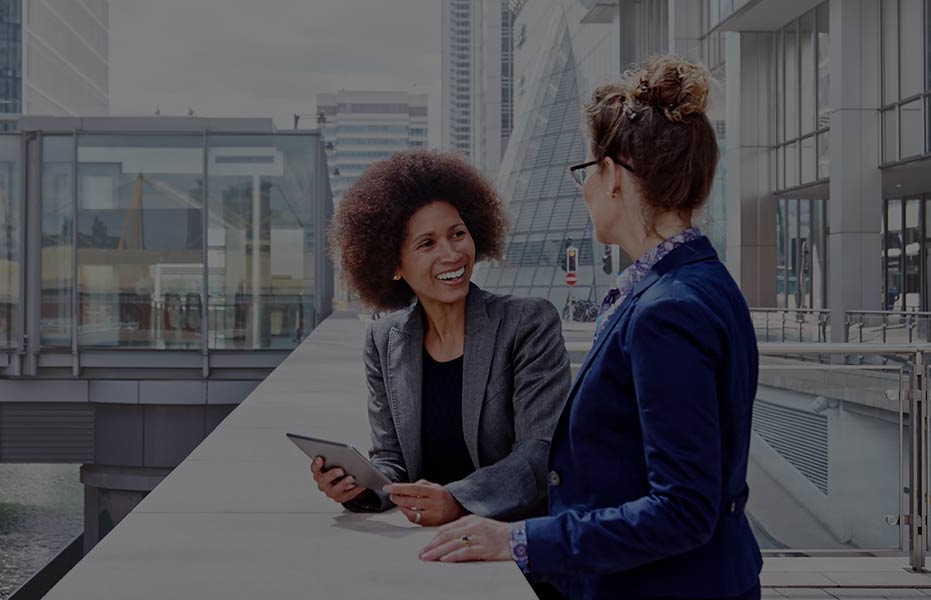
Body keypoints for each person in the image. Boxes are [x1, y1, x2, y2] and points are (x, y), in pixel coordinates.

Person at [422, 56, 762, 600]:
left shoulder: (667, 311)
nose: (583, 191)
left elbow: (682, 509)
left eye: (587, 172)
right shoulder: (702, 282)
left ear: (614, 176)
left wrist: (519, 540)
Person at [311, 149, 571, 533]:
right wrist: (359, 487)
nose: (451, 254)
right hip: (428, 545)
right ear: (394, 266)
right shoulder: (384, 340)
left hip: (509, 542)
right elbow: (391, 459)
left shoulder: (528, 322)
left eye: (457, 234)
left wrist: (458, 500)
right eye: (427, 244)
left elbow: (540, 452)